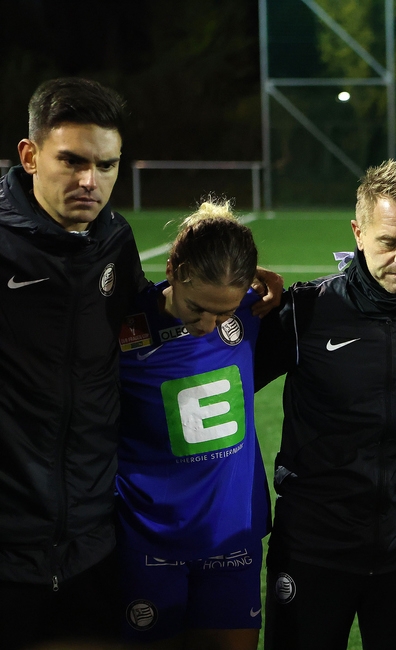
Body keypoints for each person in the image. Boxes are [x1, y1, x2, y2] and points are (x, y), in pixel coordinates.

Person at [257, 160, 396, 650]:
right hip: (313, 548)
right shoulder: (304, 312)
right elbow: (213, 367)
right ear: (357, 232)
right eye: (389, 242)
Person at [0, 77, 144, 648]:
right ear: (30, 156)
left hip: (91, 542)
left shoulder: (114, 238)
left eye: (106, 166)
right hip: (8, 548)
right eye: (72, 161)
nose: (91, 181)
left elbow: (137, 328)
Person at [115, 199, 271, 649]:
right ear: (172, 270)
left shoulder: (251, 309)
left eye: (222, 314)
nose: (208, 324)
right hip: (148, 536)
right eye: (197, 308)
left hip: (232, 533)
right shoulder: (124, 329)